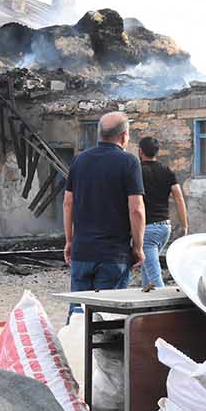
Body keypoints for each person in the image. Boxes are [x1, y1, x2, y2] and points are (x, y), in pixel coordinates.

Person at [63, 111, 145, 315]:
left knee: (78, 316)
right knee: (107, 317)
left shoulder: (79, 160)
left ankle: (74, 346)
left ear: (100, 134)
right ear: (124, 136)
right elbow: (136, 209)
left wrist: (69, 241)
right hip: (113, 254)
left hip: (82, 252)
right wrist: (138, 246)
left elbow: (67, 203)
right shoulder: (129, 162)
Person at [136, 136, 189, 290]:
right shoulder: (167, 171)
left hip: (147, 230)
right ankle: (147, 309)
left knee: (154, 274)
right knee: (147, 271)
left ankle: (165, 309)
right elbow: (179, 198)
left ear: (140, 151)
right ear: (157, 152)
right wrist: (184, 225)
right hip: (164, 228)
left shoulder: (137, 171)